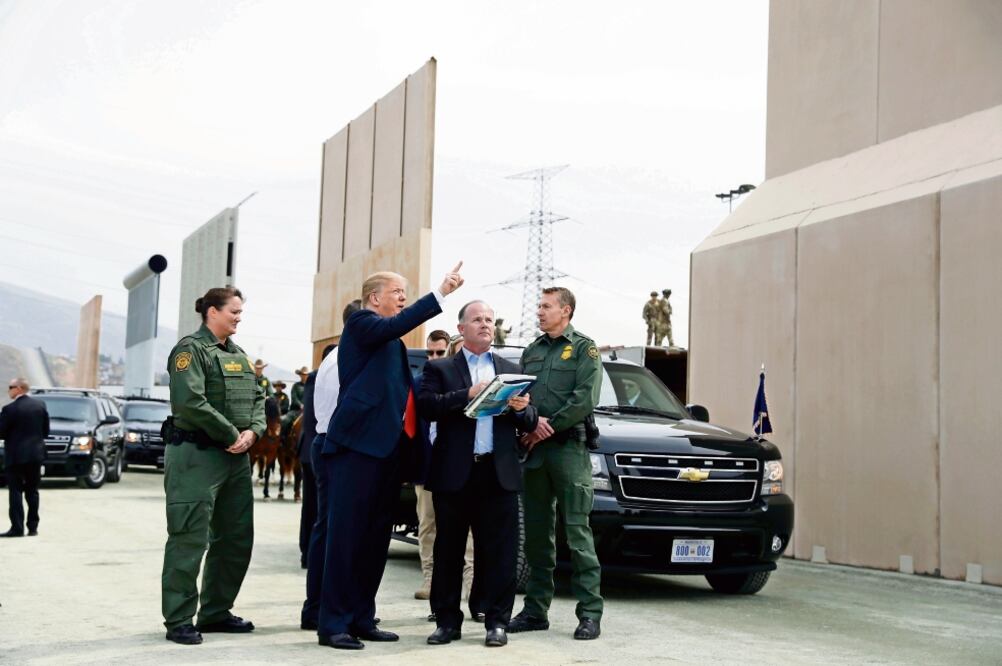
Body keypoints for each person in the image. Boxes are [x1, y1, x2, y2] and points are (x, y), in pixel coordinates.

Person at [317, 262, 465, 650]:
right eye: (397, 292)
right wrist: (439, 294)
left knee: (373, 540)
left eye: (406, 292)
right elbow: (392, 326)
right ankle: (333, 624)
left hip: (385, 454)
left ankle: (362, 617)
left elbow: (404, 398)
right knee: (345, 539)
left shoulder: (393, 344)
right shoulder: (361, 325)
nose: (403, 298)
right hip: (354, 451)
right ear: (374, 298)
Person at [418, 300, 538, 648]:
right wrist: (465, 395)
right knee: (449, 550)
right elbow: (426, 406)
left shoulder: (509, 369)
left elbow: (530, 421)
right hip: (455, 472)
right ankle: (446, 622)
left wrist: (522, 409)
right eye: (477, 319)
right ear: (461, 328)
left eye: (489, 319)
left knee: (499, 552)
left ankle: (496, 622)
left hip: (497, 473)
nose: (485, 324)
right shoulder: (440, 369)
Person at [161, 286, 266, 646]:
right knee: (189, 537)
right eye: (234, 311)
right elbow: (190, 402)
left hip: (235, 458)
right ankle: (178, 619)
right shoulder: (191, 350)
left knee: (235, 538)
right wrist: (230, 434)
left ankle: (216, 612)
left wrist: (253, 432)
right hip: (196, 456)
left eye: (240, 311)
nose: (239, 317)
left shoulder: (239, 355)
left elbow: (258, 397)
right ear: (212, 312)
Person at [508, 286, 604, 640]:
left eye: (546, 306)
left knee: (578, 534)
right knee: (536, 537)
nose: (539, 312)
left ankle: (590, 613)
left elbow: (585, 398)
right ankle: (535, 610)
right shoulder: (532, 351)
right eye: (539, 306)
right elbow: (520, 395)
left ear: (565, 310)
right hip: (535, 453)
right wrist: (531, 422)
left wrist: (547, 428)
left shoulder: (583, 349)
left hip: (568, 451)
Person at [301, 302, 361, 632]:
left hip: (326, 445)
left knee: (326, 529)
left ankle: (316, 607)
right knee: (335, 532)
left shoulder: (334, 356)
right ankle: (324, 609)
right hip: (337, 448)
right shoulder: (344, 360)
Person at [413, 329, 452, 601]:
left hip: (454, 466)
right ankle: (429, 578)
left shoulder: (459, 381)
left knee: (463, 529)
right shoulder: (417, 383)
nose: (434, 357)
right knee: (427, 525)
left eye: (440, 352)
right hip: (425, 467)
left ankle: (467, 582)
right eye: (430, 352)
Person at [0, 378, 49, 538]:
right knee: (32, 492)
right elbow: (46, 431)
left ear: (20, 389)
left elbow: (1, 432)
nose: (9, 390)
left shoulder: (9, 409)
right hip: (36, 455)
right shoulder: (40, 406)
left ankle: (17, 528)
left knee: (15, 491)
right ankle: (33, 527)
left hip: (15, 457)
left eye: (11, 387)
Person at [296, 355, 327, 570]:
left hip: (314, 449)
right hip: (313, 450)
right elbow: (312, 417)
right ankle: (307, 552)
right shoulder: (316, 378)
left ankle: (309, 551)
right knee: (312, 506)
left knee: (314, 505)